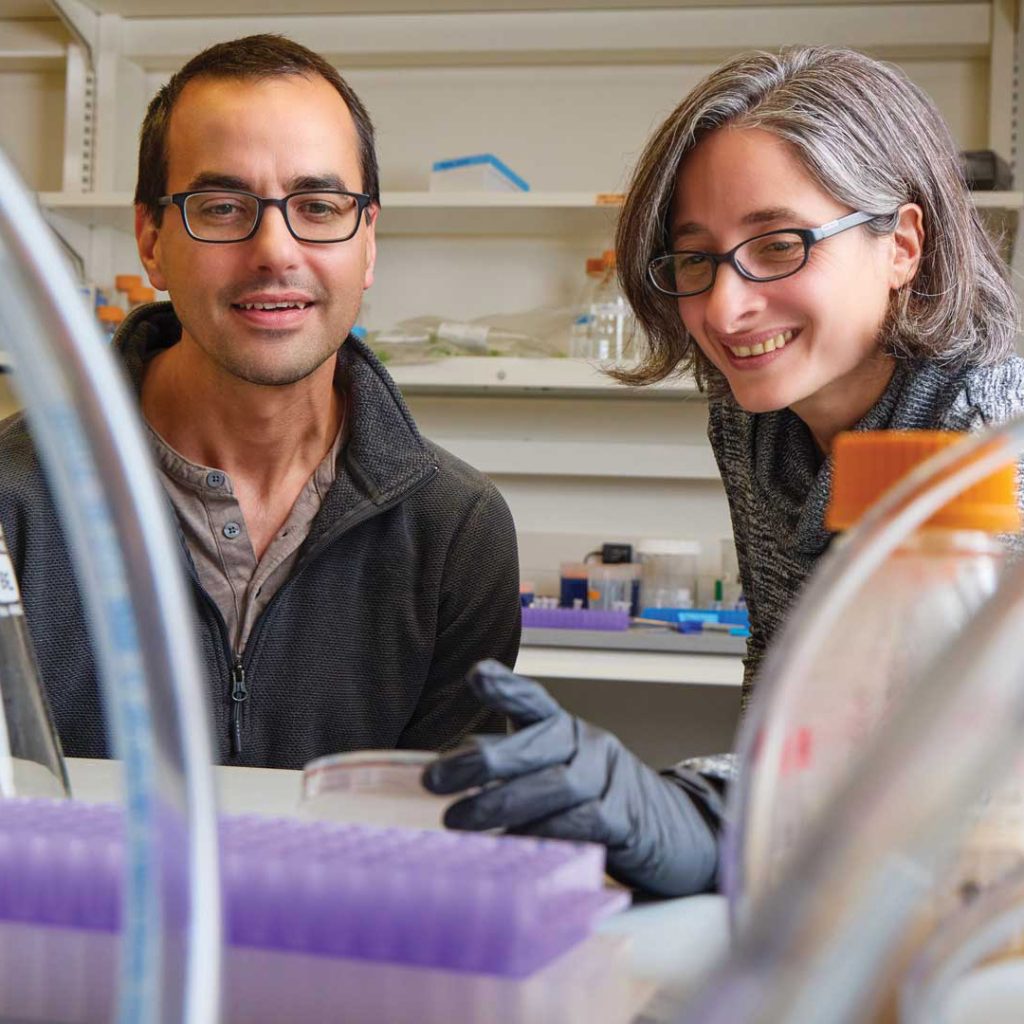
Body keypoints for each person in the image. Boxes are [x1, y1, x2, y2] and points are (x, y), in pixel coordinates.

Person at [424, 45, 1024, 896]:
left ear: (903, 244)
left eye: (778, 245)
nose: (724, 307)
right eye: (696, 258)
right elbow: (784, 677)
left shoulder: (990, 438)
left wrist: (701, 811)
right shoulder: (756, 419)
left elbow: (945, 771)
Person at [0, 34, 521, 769]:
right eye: (221, 206)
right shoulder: (13, 501)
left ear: (367, 241)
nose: (276, 250)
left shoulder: (455, 534)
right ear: (151, 239)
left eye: (318, 204)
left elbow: (451, 843)